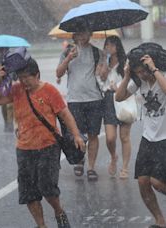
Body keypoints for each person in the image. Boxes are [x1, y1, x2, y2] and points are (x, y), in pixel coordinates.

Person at [0, 55, 85, 228]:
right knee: (29, 193)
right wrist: (0, 80)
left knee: (48, 188)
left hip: (48, 146)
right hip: (24, 149)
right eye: (21, 77)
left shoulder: (49, 90)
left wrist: (77, 135)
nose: (24, 81)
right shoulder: (17, 90)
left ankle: (58, 211)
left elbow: (65, 114)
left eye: (28, 77)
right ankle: (41, 225)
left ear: (37, 75)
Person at [115, 46, 166, 228]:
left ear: (149, 66)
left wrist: (154, 69)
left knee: (158, 182)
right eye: (137, 72)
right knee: (142, 182)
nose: (141, 75)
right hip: (149, 138)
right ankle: (160, 221)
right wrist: (126, 76)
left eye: (142, 71)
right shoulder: (139, 82)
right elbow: (119, 97)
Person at [56, 24, 104, 181]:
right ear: (74, 35)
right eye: (78, 33)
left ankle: (91, 167)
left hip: (95, 98)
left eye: (85, 32)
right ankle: (79, 160)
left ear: (90, 34)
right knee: (76, 134)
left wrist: (105, 68)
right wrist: (69, 58)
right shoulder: (67, 51)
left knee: (93, 135)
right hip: (75, 99)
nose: (82, 35)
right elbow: (59, 73)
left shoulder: (97, 52)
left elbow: (102, 76)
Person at [97, 35, 132, 179]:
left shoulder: (126, 62)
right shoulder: (103, 61)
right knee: (110, 138)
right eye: (107, 45)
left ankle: (125, 168)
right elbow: (102, 78)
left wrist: (118, 87)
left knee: (124, 136)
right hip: (108, 99)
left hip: (124, 98)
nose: (109, 48)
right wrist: (106, 61)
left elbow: (131, 81)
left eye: (112, 45)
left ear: (118, 46)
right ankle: (113, 156)